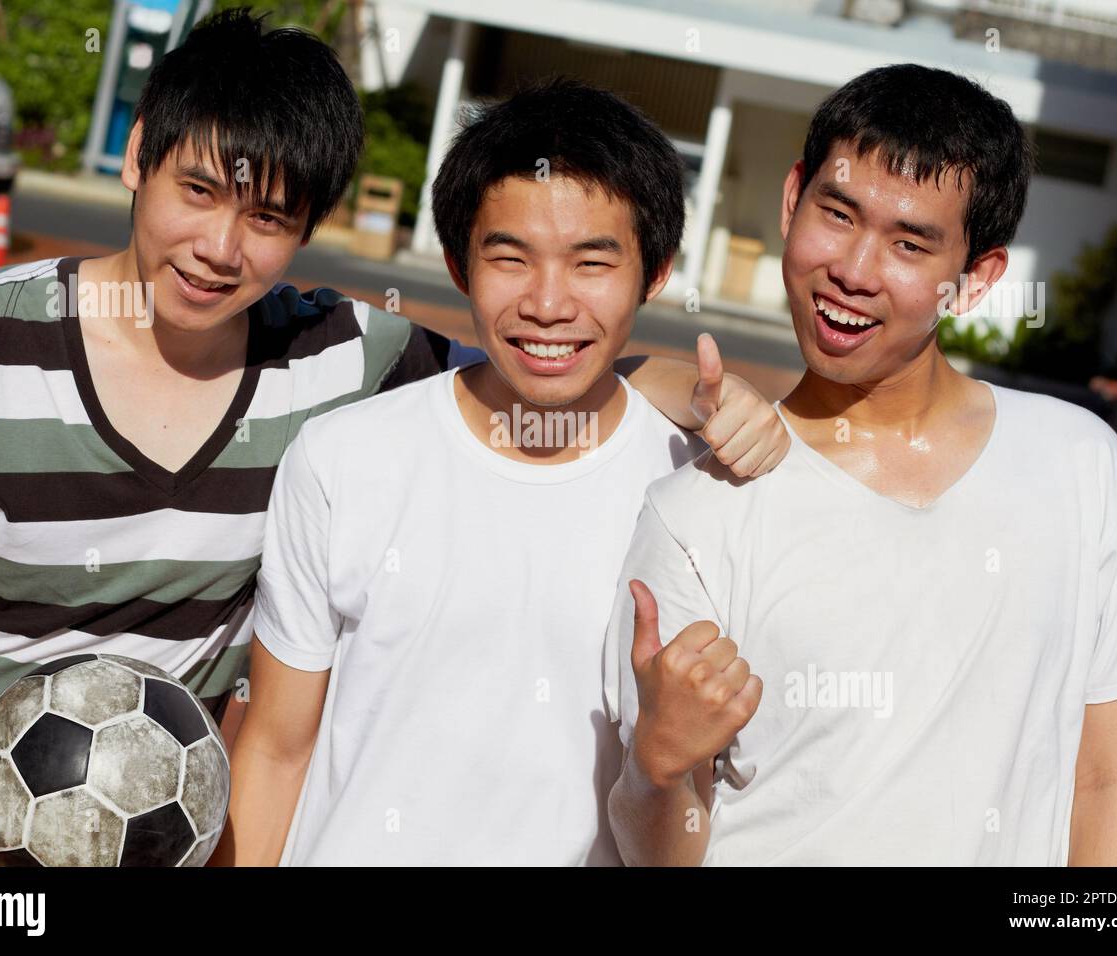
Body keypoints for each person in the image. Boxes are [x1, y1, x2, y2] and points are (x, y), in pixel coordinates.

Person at [0, 13, 778, 867]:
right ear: (135, 156)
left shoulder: (345, 357)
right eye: (197, 192)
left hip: (159, 838)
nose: (218, 248)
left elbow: (540, 360)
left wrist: (682, 386)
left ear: (308, 228)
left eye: (269, 219)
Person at [604, 63, 1117, 866]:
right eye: (837, 214)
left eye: (910, 242)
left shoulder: (1079, 464)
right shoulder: (693, 512)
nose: (853, 269)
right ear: (792, 201)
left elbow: (1106, 781)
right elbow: (657, 854)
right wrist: (660, 765)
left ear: (976, 278)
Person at [221, 78, 788, 866]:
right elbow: (277, 748)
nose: (548, 304)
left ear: (654, 274)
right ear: (458, 265)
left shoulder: (702, 487)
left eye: (592, 262)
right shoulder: (341, 458)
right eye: (510, 257)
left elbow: (688, 810)